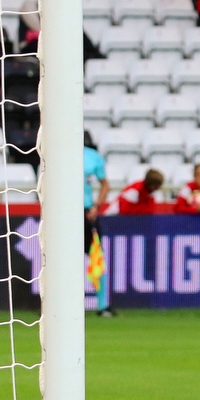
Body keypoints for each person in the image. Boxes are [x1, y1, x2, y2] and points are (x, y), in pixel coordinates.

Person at [84, 132, 112, 317]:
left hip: (86, 213)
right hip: (64, 215)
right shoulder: (55, 154)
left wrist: (96, 206)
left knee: (96, 258)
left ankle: (103, 305)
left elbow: (105, 185)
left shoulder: (92, 157)